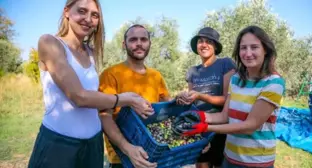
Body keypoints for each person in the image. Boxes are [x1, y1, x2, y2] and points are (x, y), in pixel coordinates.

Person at [28, 1, 156, 168]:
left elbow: (96, 99)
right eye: (82, 11)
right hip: (59, 144)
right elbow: (78, 96)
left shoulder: (91, 53)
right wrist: (126, 99)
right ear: (67, 11)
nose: (88, 19)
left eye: (94, 15)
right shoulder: (49, 43)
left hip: (93, 145)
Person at [174, 25, 285, 168]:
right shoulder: (236, 79)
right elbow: (224, 116)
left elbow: (250, 126)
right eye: (243, 48)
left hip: (257, 162)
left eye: (254, 47)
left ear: (265, 50)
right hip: (230, 157)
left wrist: (205, 127)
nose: (248, 53)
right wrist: (200, 117)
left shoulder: (274, 82)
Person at [99, 24, 172, 168]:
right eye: (133, 39)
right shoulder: (110, 74)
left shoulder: (156, 76)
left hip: (154, 155)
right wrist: (128, 149)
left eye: (143, 39)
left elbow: (169, 112)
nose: (139, 43)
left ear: (149, 44)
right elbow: (104, 117)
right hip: (123, 158)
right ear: (124, 44)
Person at [176, 27, 236, 168]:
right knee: (201, 164)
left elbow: (228, 99)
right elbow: (192, 103)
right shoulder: (192, 71)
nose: (204, 45)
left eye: (209, 41)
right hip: (199, 126)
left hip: (221, 126)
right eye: (200, 41)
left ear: (215, 46)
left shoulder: (225, 64)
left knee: (219, 164)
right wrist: (183, 98)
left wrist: (201, 96)